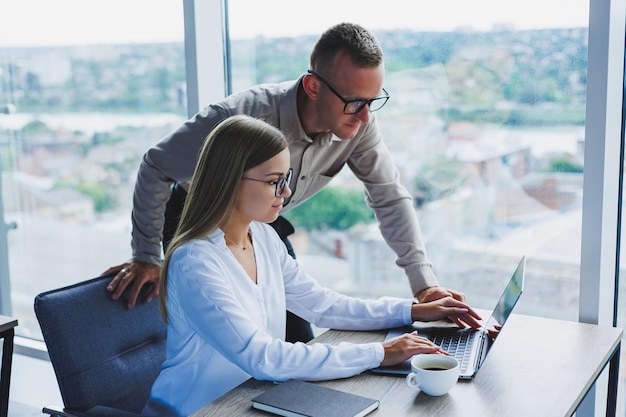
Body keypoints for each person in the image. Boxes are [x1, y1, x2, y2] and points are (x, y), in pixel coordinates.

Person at [104, 22, 482, 342]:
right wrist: (146, 256)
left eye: (373, 100)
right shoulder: (238, 116)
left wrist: (423, 285)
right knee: (241, 343)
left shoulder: (359, 123)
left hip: (263, 227)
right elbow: (156, 165)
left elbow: (389, 197)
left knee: (298, 334)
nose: (365, 116)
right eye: (353, 101)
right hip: (197, 219)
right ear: (313, 86)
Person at [141, 115, 481, 417]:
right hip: (197, 409)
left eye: (286, 177)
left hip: (253, 399)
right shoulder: (195, 263)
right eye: (275, 180)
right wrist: (380, 353)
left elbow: (323, 305)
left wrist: (413, 311)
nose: (287, 191)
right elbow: (264, 358)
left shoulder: (263, 237)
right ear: (231, 180)